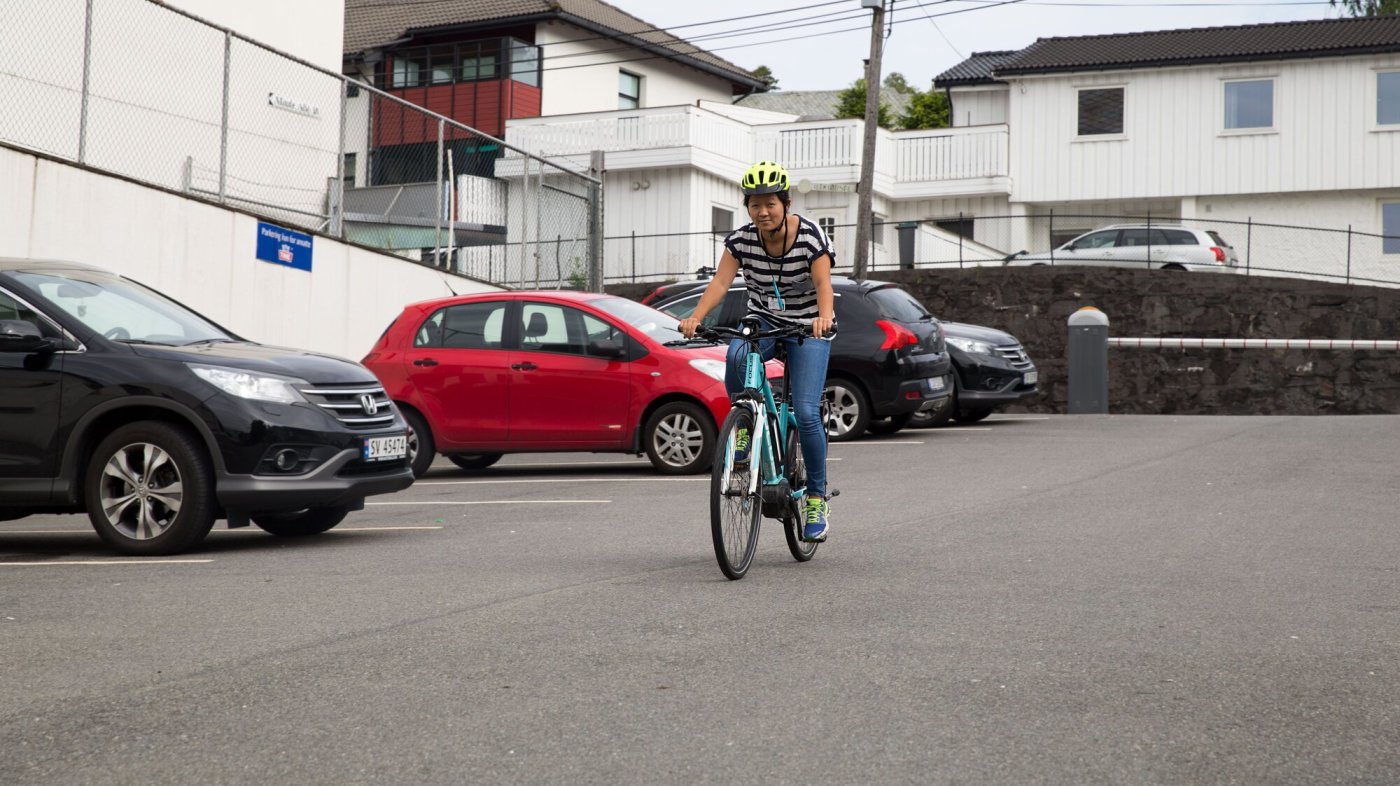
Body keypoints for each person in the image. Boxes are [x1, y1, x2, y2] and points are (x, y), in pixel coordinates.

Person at [678, 160, 837, 543]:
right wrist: (695, 317)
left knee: (808, 413)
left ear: (786, 202)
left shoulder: (811, 237)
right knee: (736, 353)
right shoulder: (742, 240)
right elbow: (720, 282)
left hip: (807, 326)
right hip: (763, 319)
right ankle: (746, 423)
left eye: (770, 204)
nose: (762, 212)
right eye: (754, 205)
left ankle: (816, 498)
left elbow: (823, 284)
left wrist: (825, 318)